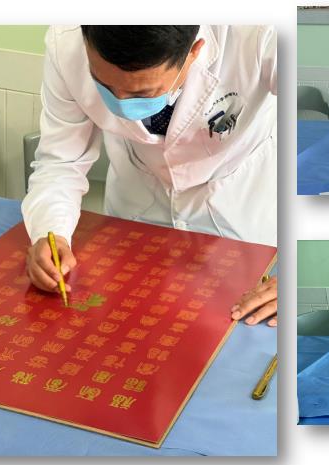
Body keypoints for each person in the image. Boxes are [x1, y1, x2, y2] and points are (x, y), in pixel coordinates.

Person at [22, 25, 278, 326]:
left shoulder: (261, 29)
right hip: (137, 210)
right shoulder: (67, 40)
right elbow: (62, 161)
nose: (121, 103)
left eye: (142, 94)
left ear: (194, 51)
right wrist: (51, 232)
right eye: (104, 85)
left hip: (239, 210)